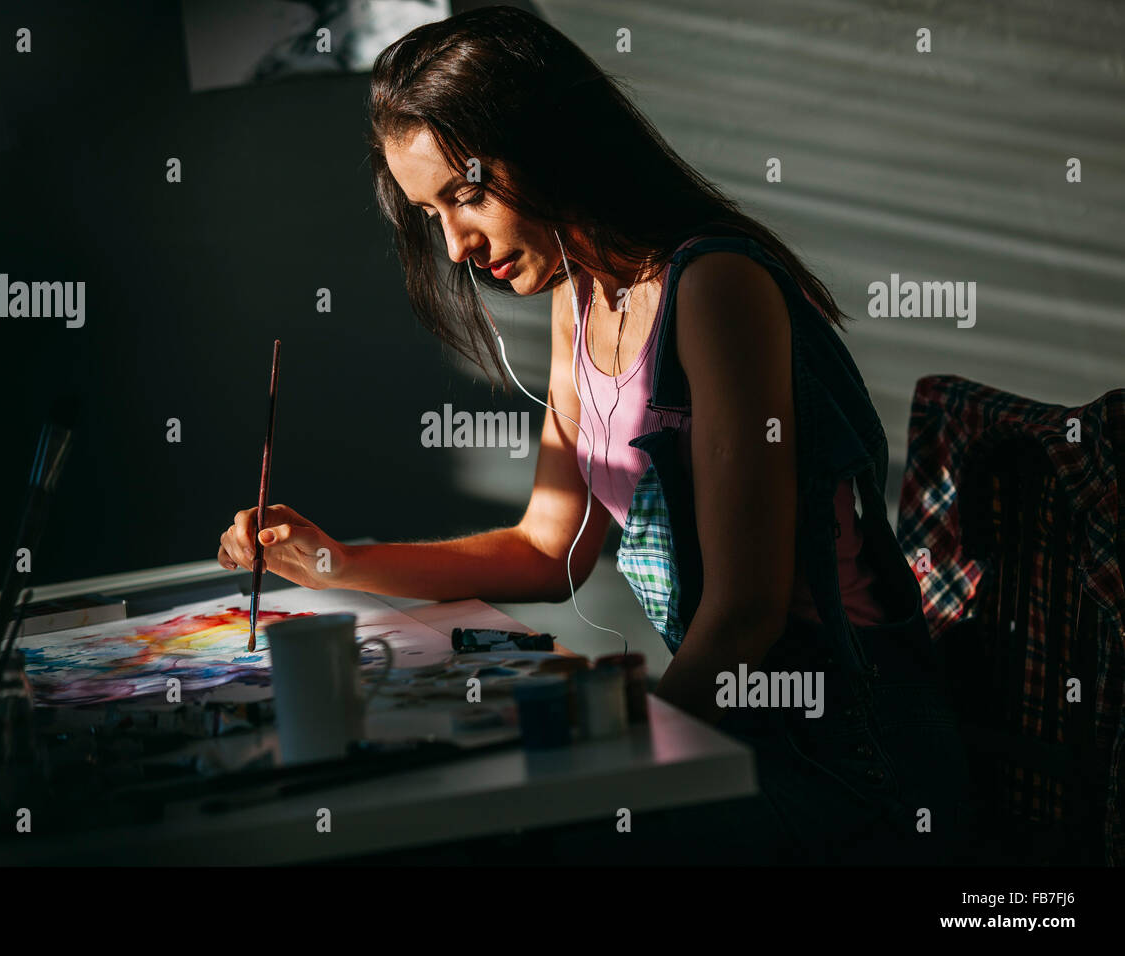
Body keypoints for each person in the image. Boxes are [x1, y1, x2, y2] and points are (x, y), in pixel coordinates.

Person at [216, 6, 971, 864]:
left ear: (553, 143)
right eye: (432, 214)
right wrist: (335, 562)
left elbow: (744, 616)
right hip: (738, 723)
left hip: (844, 749)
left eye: (467, 194)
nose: (457, 245)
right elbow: (549, 550)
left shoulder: (716, 287)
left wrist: (611, 766)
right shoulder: (583, 299)